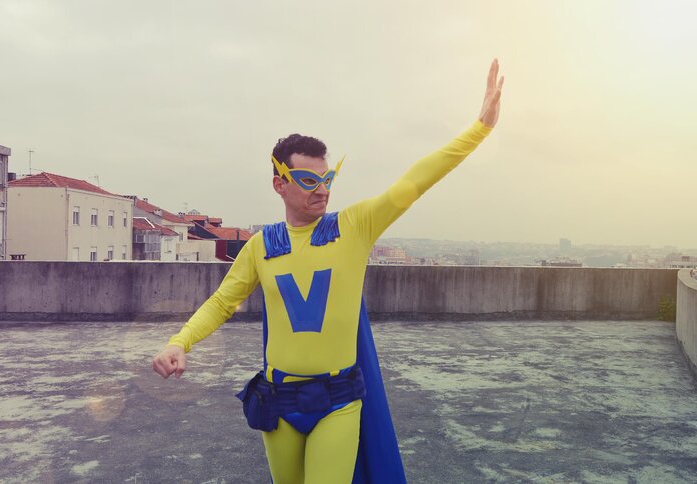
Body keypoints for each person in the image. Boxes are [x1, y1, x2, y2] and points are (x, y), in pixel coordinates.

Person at [153, 58, 504, 484]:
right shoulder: (262, 245)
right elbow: (223, 302)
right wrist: (180, 342)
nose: (322, 190)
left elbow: (415, 181)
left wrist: (480, 128)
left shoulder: (353, 227)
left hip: (338, 399)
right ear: (279, 183)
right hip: (279, 400)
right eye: (307, 180)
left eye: (327, 178)